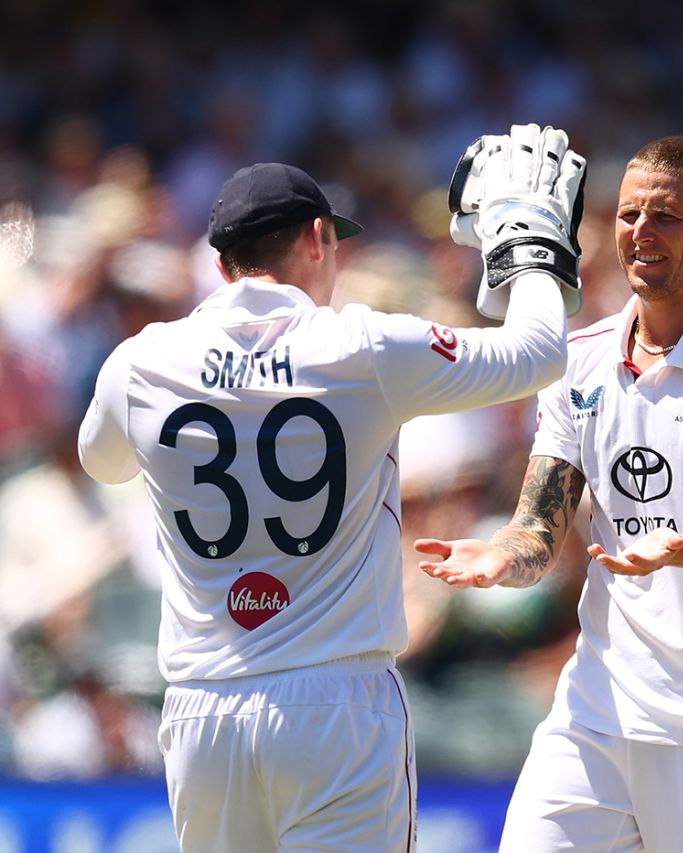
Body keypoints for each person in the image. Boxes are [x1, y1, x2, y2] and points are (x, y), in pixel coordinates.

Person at [77, 124, 584, 852]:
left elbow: (103, 463)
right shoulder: (365, 346)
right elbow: (538, 352)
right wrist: (528, 241)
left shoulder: (141, 361)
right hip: (335, 703)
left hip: (202, 711)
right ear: (319, 238)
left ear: (223, 267)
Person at [415, 136, 683, 852]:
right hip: (598, 709)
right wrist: (499, 557)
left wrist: (678, 550)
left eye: (665, 216)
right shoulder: (582, 357)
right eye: (629, 215)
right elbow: (538, 530)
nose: (640, 232)